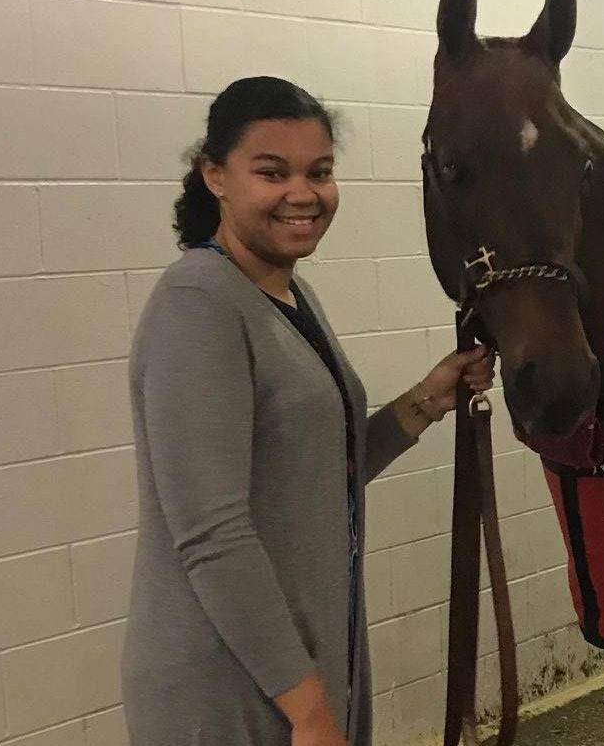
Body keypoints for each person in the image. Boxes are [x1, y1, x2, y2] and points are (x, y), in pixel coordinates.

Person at [121, 76, 494, 746]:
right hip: (229, 682)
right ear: (216, 176)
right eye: (273, 172)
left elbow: (318, 467)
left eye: (318, 171)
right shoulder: (198, 306)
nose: (303, 193)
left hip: (302, 662)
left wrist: (427, 400)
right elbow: (212, 534)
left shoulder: (288, 295)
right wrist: (307, 706)